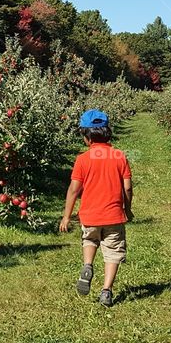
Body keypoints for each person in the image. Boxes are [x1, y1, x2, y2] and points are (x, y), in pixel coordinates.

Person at [58, 109, 133, 307]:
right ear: (107, 132)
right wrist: (128, 208)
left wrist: (66, 216)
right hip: (114, 215)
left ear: (86, 136)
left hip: (89, 216)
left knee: (89, 239)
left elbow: (74, 190)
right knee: (113, 252)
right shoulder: (119, 156)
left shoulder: (82, 159)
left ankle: (87, 265)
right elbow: (127, 187)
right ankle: (106, 290)